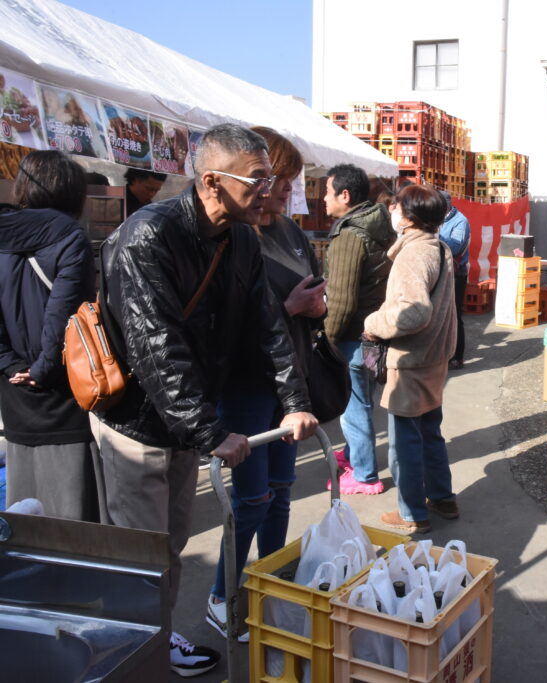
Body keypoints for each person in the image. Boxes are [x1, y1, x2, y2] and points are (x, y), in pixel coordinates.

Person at [92, 123, 318, 678]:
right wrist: (210, 432)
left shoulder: (240, 238)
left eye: (273, 178)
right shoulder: (149, 236)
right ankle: (130, 660)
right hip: (136, 424)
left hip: (181, 424)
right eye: (258, 179)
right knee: (138, 556)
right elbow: (156, 347)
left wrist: (294, 400)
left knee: (169, 547)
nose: (270, 190)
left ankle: (158, 642)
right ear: (213, 181)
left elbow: (268, 325)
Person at [206, 127, 327, 640]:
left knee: (281, 492)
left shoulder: (292, 232)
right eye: (273, 178)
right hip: (245, 384)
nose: (282, 189)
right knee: (250, 498)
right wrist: (291, 307)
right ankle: (221, 594)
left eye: (288, 181)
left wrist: (315, 308)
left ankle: (272, 580)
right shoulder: (235, 237)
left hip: (289, 381)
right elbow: (226, 322)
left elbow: (314, 287)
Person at [0, 150, 102, 522]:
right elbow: (64, 315)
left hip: (13, 390)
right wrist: (42, 369)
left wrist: (10, 363)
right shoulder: (70, 236)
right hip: (64, 387)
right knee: (71, 510)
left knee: (23, 509)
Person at [364, 184, 457, 535]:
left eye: (395, 207)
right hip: (433, 356)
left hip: (413, 359)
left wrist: (374, 324)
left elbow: (414, 313)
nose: (391, 211)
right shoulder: (437, 246)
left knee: (405, 440)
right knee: (430, 431)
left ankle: (412, 511)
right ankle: (441, 497)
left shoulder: (414, 253)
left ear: (408, 217)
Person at [323, 163, 395, 495]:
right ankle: (355, 454)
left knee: (355, 407)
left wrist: (326, 338)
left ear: (345, 195)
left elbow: (341, 300)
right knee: (362, 400)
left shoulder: (350, 234)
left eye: (328, 191)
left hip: (353, 334)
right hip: (374, 333)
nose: (324, 199)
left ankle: (365, 474)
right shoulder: (379, 225)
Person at [437, 191, 471, 370]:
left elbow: (455, 248)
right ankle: (443, 354)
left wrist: (434, 237)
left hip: (456, 275)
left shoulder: (460, 221)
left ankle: (458, 356)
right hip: (439, 272)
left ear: (447, 205)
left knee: (455, 315)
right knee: (439, 315)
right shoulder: (435, 219)